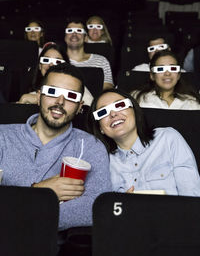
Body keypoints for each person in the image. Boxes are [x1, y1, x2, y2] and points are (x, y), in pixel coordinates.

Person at [0, 62, 112, 234]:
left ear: (80, 107)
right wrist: (40, 193)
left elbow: (94, 207)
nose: (60, 102)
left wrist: (16, 210)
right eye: (52, 92)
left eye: (71, 96)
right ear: (39, 97)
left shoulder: (91, 146)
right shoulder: (3, 136)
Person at [87, 88, 200, 196]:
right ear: (100, 128)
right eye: (102, 112)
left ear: (134, 111)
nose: (113, 114)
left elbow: (191, 196)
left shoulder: (168, 138)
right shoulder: (103, 163)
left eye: (119, 105)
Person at [131, 50, 200, 109]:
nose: (167, 73)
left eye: (172, 68)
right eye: (160, 69)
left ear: (178, 75)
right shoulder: (137, 98)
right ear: (152, 75)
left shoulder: (192, 103)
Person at [64, 18, 114, 90]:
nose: (74, 34)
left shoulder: (101, 61)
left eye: (79, 31)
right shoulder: (58, 60)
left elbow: (107, 87)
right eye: (70, 31)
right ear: (65, 37)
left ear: (85, 38)